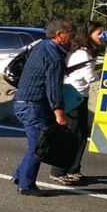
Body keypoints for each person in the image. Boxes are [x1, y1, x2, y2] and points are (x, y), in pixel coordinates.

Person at [11, 18, 73, 196]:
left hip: (24, 102)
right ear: (60, 36)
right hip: (33, 105)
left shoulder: (42, 46)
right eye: (70, 33)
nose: (72, 36)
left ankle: (20, 175)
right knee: (39, 146)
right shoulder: (54, 57)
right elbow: (53, 88)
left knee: (36, 144)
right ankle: (26, 185)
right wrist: (59, 113)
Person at [49, 22, 107, 185]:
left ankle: (73, 169)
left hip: (79, 96)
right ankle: (58, 171)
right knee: (71, 135)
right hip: (73, 96)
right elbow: (89, 77)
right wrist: (106, 77)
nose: (103, 36)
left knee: (81, 135)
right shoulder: (83, 53)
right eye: (100, 33)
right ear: (89, 35)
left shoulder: (86, 52)